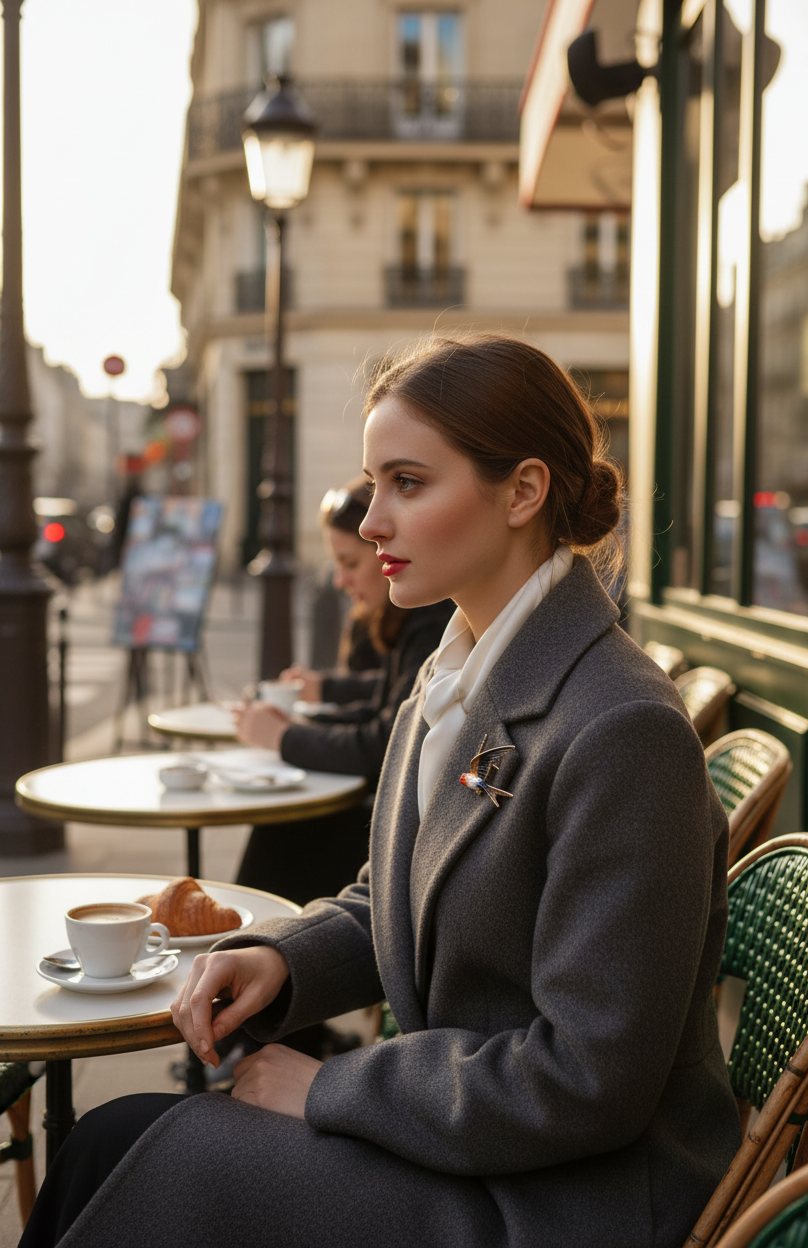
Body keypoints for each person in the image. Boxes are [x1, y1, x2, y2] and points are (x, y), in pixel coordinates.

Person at [21, 333, 740, 1248]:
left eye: (408, 482)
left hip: (564, 1201)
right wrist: (281, 957)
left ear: (522, 491)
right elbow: (397, 897)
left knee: (148, 1147)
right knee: (109, 1142)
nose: (369, 523)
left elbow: (587, 1081)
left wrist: (327, 1086)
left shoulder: (620, 726)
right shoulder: (462, 676)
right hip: (476, 1146)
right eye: (375, 483)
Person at [233, 476, 453, 906]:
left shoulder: (426, 614)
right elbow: (389, 707)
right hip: (410, 818)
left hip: (416, 834)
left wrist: (285, 737)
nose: (338, 580)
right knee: (282, 823)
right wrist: (303, 719)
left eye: (349, 563)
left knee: (285, 824)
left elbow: (385, 741)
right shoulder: (409, 616)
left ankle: (253, 943)